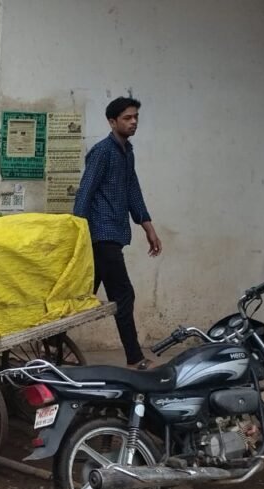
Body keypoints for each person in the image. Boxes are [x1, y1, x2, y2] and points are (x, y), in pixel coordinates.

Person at [74, 96, 162, 370]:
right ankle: (135, 358)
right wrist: (77, 233)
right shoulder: (102, 152)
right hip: (101, 235)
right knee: (123, 294)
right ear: (112, 122)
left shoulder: (127, 152)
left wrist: (148, 227)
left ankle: (51, 340)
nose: (133, 122)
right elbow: (85, 192)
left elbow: (133, 190)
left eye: (136, 117)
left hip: (114, 234)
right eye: (127, 118)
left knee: (81, 295)